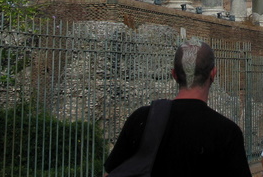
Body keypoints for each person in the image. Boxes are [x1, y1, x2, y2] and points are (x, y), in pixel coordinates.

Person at [104, 40, 252, 176]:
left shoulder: (140, 119)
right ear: (213, 74)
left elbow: (114, 170)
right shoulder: (227, 133)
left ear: (174, 74)